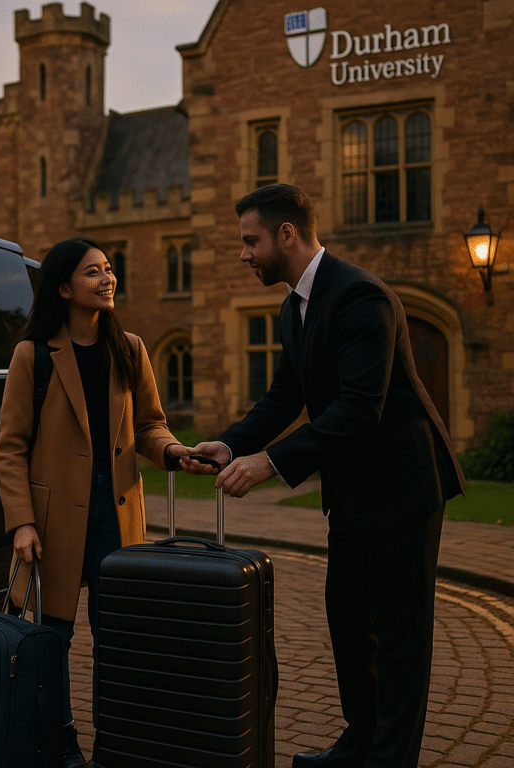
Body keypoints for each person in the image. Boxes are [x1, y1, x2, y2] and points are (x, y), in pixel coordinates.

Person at [180, 184, 465, 768]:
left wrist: (269, 463)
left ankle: (390, 758)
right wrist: (231, 443)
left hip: (404, 488)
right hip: (352, 493)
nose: (244, 254)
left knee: (401, 638)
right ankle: (359, 741)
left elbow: (361, 408)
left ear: (287, 234)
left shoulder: (363, 297)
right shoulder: (294, 307)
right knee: (348, 623)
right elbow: (285, 396)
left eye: (250, 240)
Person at [0, 236, 187, 768]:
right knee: (52, 638)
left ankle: (114, 742)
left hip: (117, 512)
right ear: (62, 287)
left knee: (117, 640)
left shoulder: (131, 348)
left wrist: (173, 451)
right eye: (92, 272)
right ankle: (61, 742)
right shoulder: (32, 355)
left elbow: (150, 424)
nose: (107, 279)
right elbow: (9, 448)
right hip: (53, 519)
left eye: (108, 269)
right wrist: (22, 524)